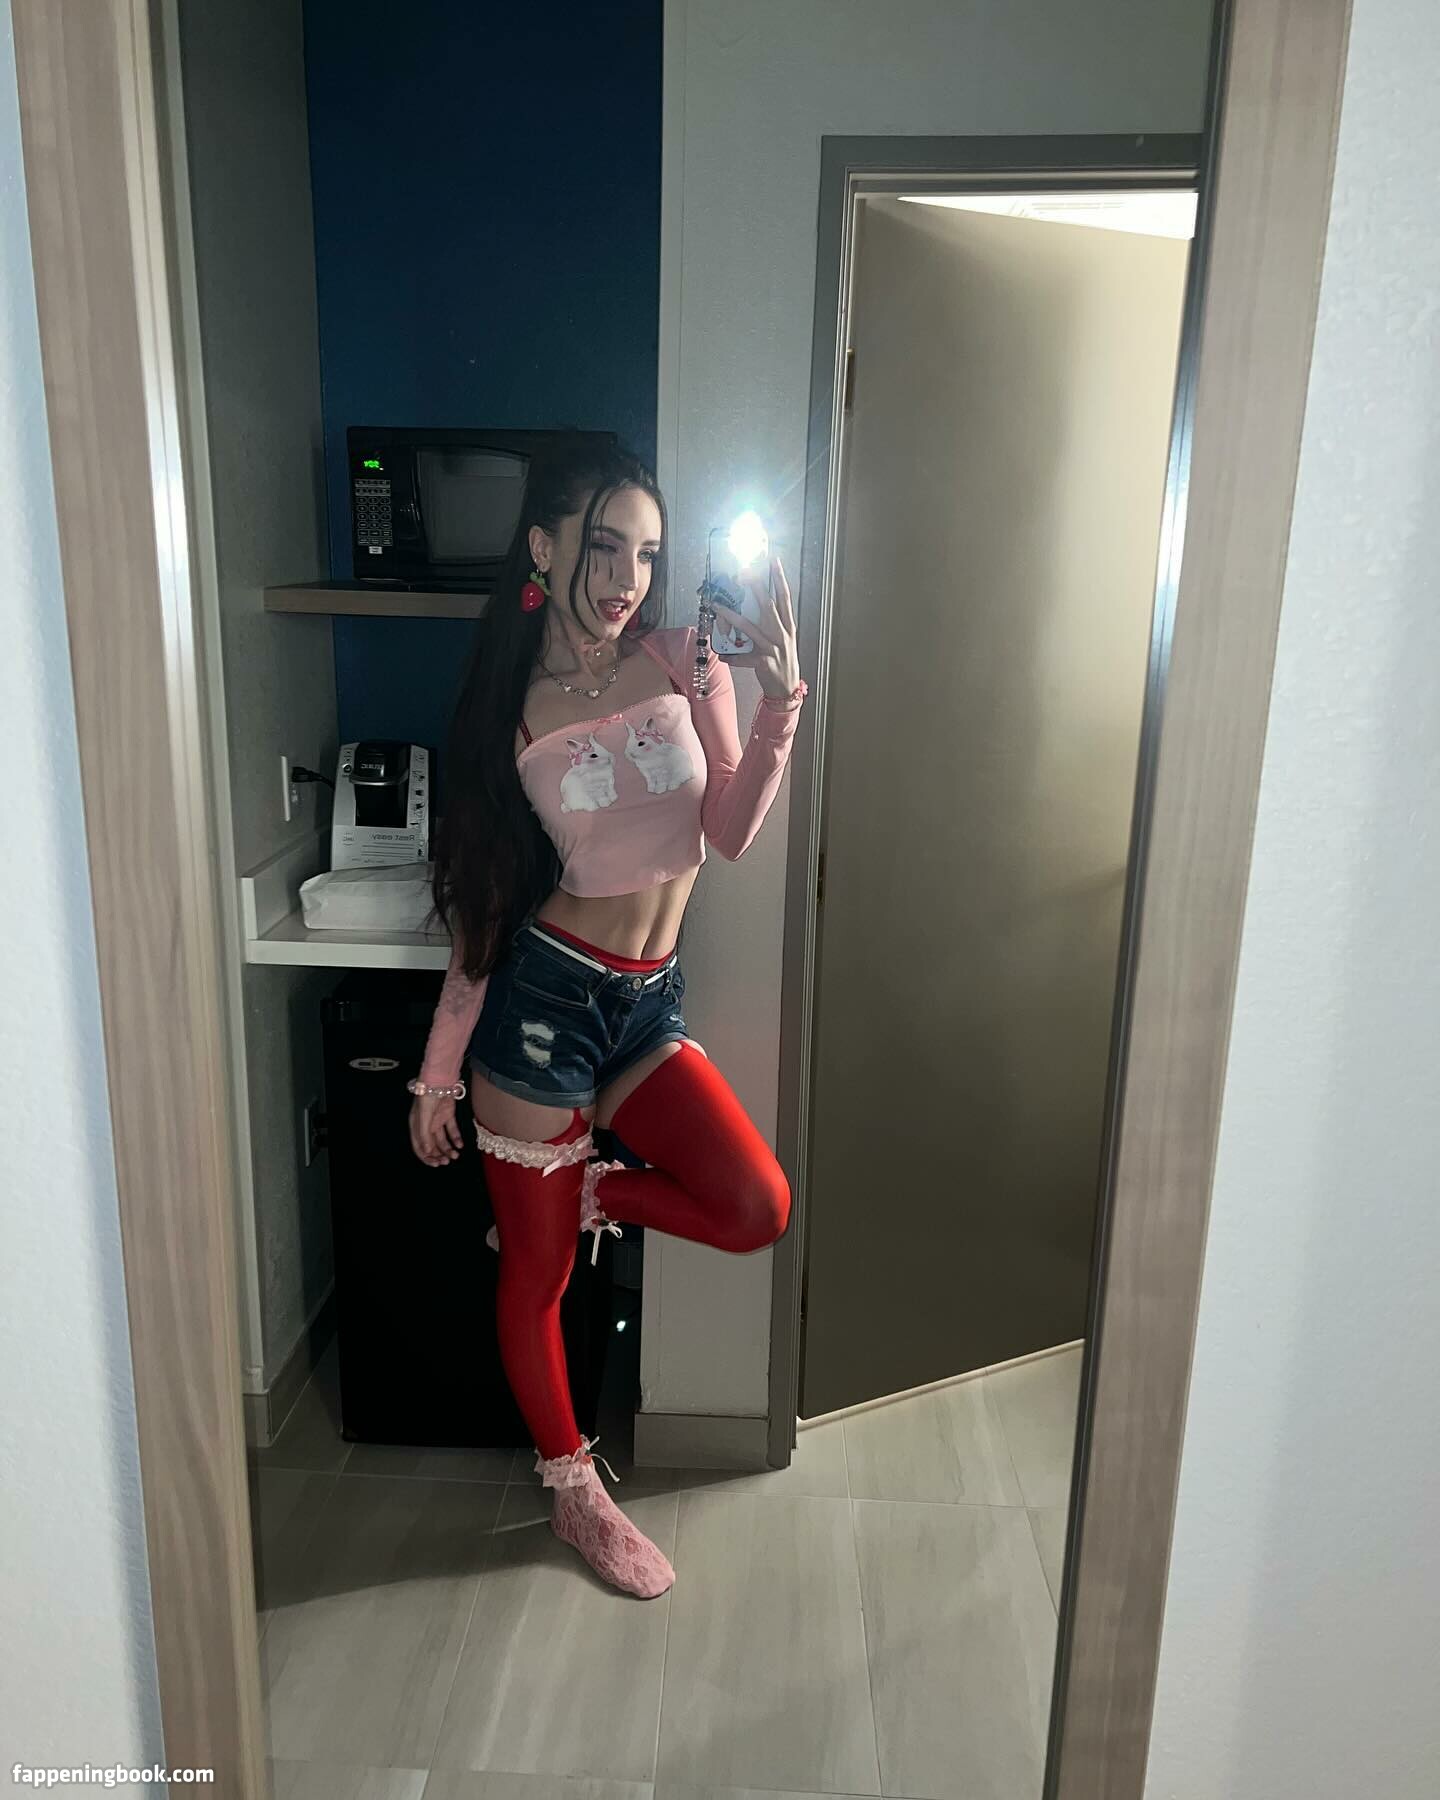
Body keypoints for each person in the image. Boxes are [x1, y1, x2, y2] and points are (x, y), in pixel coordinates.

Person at [407, 437, 807, 1598]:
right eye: (605, 547)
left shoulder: (685, 661)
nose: (630, 576)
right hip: (541, 1011)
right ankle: (573, 1489)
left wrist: (782, 697)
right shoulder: (507, 711)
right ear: (544, 547)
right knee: (537, 1282)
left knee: (756, 1204)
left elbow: (728, 830)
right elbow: (484, 911)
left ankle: (584, 1194)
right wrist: (438, 1075)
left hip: (645, 1006)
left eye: (648, 552)